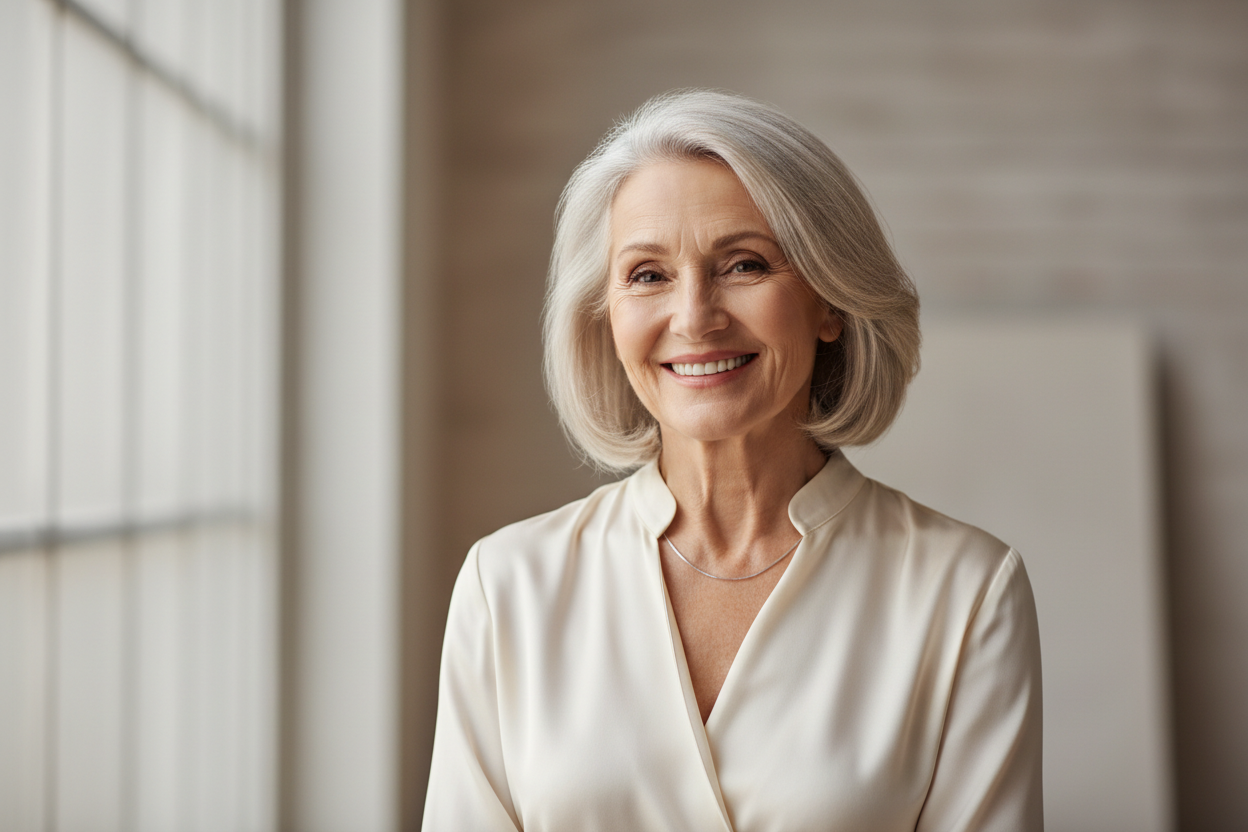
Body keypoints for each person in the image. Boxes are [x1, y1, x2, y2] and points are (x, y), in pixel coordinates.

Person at [423, 90, 1042, 831]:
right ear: (607, 316)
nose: (695, 319)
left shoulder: (965, 592)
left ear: (829, 303)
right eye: (648, 275)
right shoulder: (508, 586)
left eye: (744, 265)